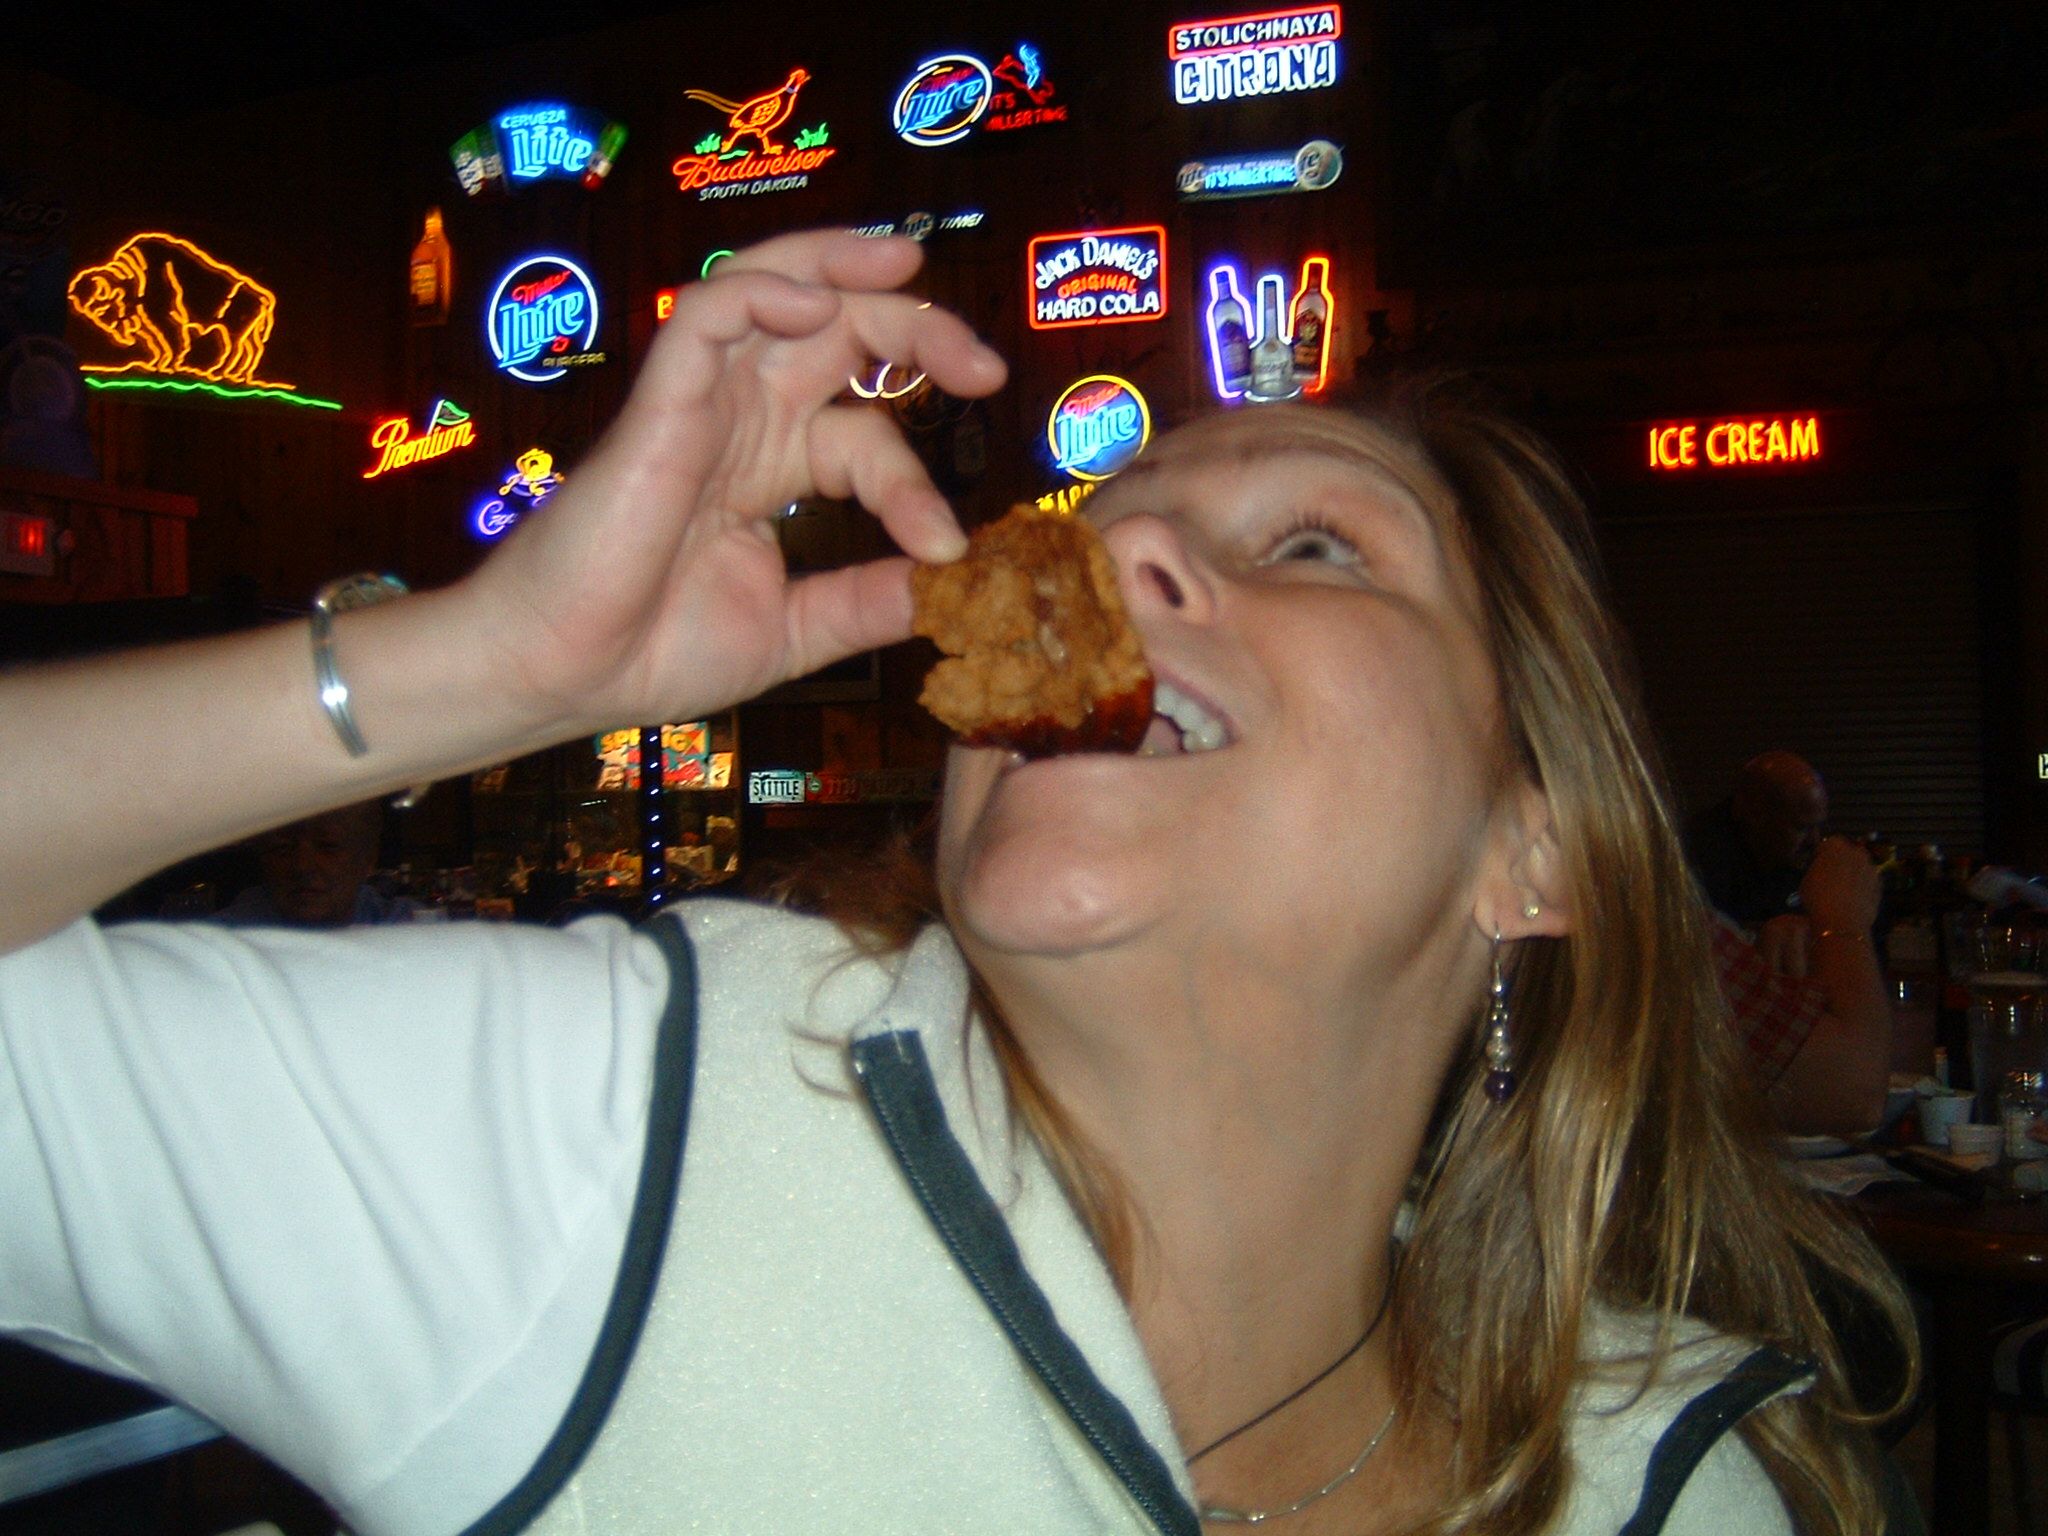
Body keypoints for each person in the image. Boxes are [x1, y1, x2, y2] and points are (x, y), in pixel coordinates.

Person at [0, 231, 1913, 1535]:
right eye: (1103, 527)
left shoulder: (1665, 1483)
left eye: (1318, 547)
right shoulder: (619, 1138)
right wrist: (483, 666)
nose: (1103, 569)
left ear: (1530, 851)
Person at [1710, 835, 1895, 1135]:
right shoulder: (1658, 921)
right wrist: (1842, 921)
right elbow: (1851, 1091)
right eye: (1798, 825)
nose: (1812, 839)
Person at [210, 799, 415, 927]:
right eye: (283, 848)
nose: (303, 866)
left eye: (328, 847)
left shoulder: (409, 928)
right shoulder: (225, 939)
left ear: (368, 858)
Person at [1684, 751, 1829, 927]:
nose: (1814, 841)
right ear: (1755, 814)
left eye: (1818, 826)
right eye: (1801, 828)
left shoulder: (1798, 860)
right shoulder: (1698, 861)